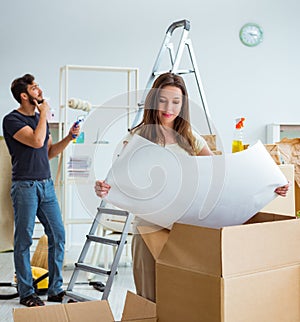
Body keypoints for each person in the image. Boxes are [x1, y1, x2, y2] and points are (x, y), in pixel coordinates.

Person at [94, 72, 289, 302]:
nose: (169, 107)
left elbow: (221, 176)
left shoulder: (190, 137)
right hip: (148, 227)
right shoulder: (137, 138)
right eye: (163, 100)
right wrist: (104, 189)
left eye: (176, 102)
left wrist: (268, 186)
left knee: (183, 296)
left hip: (185, 228)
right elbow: (118, 182)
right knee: (149, 297)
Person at [2, 74, 80, 307]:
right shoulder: (12, 120)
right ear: (24, 96)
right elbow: (35, 141)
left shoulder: (39, 119)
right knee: (24, 239)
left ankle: (55, 289)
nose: (40, 90)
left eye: (38, 87)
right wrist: (44, 113)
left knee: (58, 234)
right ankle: (27, 292)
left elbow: (47, 151)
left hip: (46, 185)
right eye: (34, 88)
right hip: (25, 186)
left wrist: (69, 138)